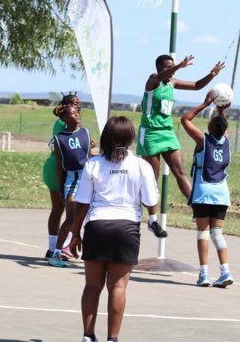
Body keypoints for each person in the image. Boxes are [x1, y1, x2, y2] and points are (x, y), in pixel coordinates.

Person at [69, 116, 166, 342]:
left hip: (97, 226)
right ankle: (112, 339)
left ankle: (88, 336)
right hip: (126, 229)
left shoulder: (93, 164)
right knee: (118, 287)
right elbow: (151, 199)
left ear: (106, 138)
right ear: (131, 138)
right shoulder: (141, 165)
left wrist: (75, 234)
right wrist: (153, 218)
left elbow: (82, 202)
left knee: (92, 285)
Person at [136, 54, 225, 199]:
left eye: (172, 68)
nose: (170, 71)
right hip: (150, 133)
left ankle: (196, 206)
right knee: (152, 178)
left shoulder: (173, 83)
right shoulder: (153, 80)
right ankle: (149, 216)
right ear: (158, 68)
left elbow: (196, 86)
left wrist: (211, 75)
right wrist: (178, 66)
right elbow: (159, 77)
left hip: (167, 133)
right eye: (166, 67)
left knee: (180, 171)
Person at [181, 91, 234, 288]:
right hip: (221, 194)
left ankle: (204, 274)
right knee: (217, 233)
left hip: (203, 193)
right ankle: (225, 271)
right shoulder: (227, 141)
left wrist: (205, 104)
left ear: (210, 128)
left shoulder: (203, 140)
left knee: (203, 233)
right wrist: (221, 109)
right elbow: (223, 126)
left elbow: (185, 119)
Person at [48, 103, 95, 267]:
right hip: (72, 180)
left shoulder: (85, 133)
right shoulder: (59, 139)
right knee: (71, 218)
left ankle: (87, 251)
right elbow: (60, 167)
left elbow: (90, 157)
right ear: (65, 118)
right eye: (74, 114)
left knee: (93, 217)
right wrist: (61, 188)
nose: (77, 116)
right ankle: (56, 253)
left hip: (88, 178)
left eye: (78, 113)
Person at [42, 92, 82, 260]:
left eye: (79, 105)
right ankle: (59, 249)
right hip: (59, 169)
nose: (78, 108)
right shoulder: (63, 124)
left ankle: (56, 248)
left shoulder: (70, 123)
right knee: (67, 211)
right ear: (66, 108)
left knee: (62, 210)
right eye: (74, 105)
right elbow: (68, 149)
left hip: (62, 169)